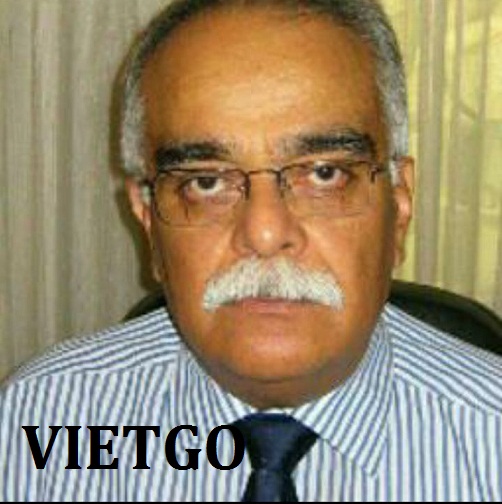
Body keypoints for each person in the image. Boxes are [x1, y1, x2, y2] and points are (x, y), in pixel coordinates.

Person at [1, 0, 501, 501]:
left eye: (324, 174)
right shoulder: (42, 422)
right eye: (205, 182)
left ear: (400, 205)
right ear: (148, 220)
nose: (263, 233)